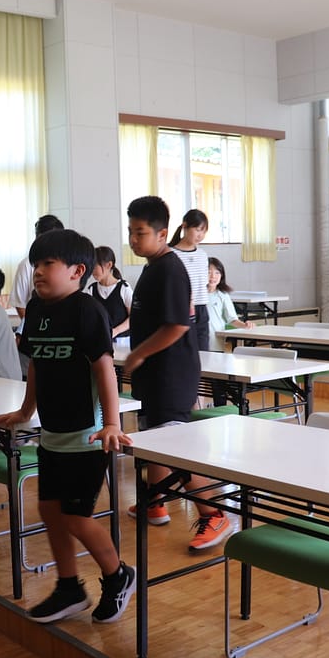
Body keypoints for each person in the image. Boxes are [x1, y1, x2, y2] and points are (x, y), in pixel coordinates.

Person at [0, 228, 135, 625]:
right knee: (49, 510)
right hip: (52, 434)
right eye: (35, 264)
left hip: (87, 436)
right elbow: (36, 365)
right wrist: (26, 411)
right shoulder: (37, 309)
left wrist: (112, 423)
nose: (38, 271)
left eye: (48, 264)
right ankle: (70, 587)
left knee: (75, 516)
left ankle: (118, 575)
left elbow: (104, 368)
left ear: (77, 271)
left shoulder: (87, 311)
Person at [122, 196, 231, 552]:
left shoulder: (169, 269)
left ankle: (214, 514)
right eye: (130, 231)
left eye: (140, 232)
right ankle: (155, 501)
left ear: (162, 233)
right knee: (156, 437)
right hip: (155, 374)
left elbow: (177, 326)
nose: (133, 239)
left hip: (171, 374)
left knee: (173, 447)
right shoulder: (153, 266)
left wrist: (138, 353)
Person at [11, 215, 65, 375]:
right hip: (36, 332)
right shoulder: (26, 265)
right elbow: (21, 304)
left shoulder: (66, 264)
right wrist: (35, 325)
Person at [170, 209, 212, 350]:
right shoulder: (171, 254)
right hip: (182, 309)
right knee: (184, 351)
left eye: (204, 231)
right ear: (185, 226)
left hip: (201, 309)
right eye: (198, 230)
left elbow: (204, 284)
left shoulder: (202, 255)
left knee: (203, 352)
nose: (201, 235)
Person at [205, 257, 254, 352]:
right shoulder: (195, 294)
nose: (213, 276)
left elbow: (232, 319)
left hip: (215, 342)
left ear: (222, 275)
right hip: (197, 340)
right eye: (208, 272)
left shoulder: (223, 295)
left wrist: (245, 325)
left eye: (217, 273)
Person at [83, 246, 132, 340]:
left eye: (95, 266)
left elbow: (133, 317)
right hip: (101, 341)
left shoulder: (124, 288)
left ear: (109, 265)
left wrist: (116, 331)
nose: (92, 271)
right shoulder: (91, 290)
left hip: (122, 341)